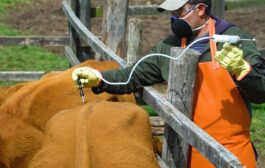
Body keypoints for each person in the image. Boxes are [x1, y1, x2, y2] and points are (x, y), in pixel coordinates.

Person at [72, 0, 265, 167]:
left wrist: (243, 70)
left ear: (200, 9)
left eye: (179, 12)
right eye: (171, 13)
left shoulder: (234, 40)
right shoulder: (169, 46)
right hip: (182, 152)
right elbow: (134, 75)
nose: (174, 18)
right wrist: (99, 78)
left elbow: (261, 91)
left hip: (229, 152)